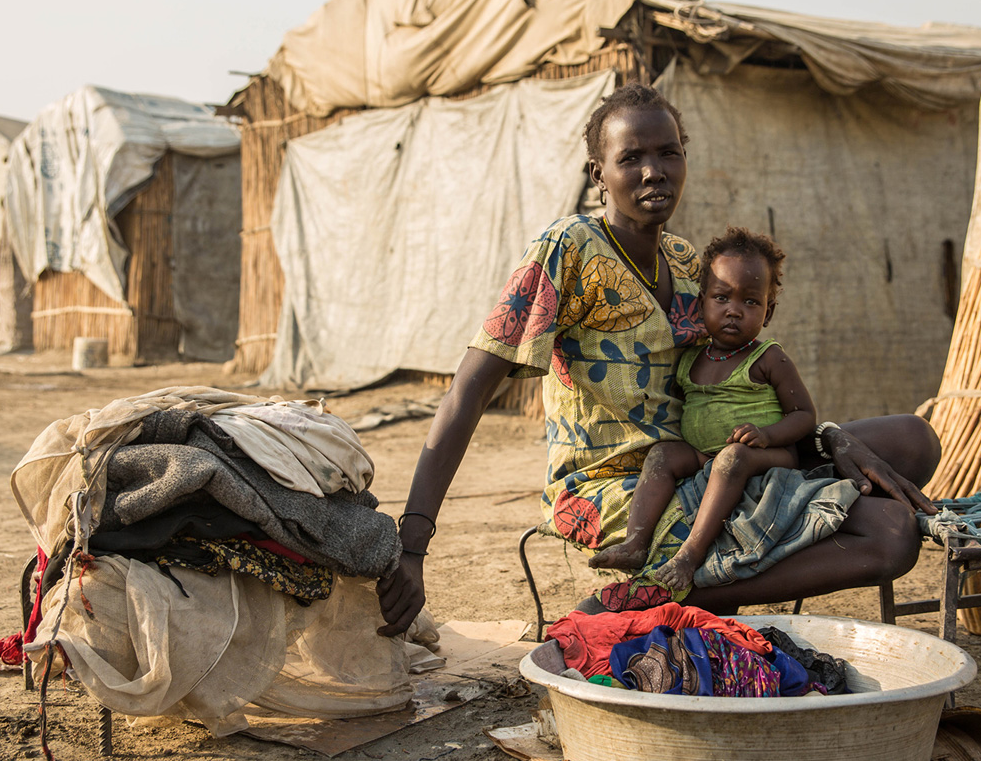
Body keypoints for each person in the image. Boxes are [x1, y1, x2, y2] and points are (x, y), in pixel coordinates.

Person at [376, 83, 939, 637]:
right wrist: (412, 543)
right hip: (619, 487)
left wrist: (829, 437)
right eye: (631, 158)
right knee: (891, 536)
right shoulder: (567, 250)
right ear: (599, 175)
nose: (654, 171)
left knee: (913, 439)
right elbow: (469, 391)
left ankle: (700, 571)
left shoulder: (686, 260)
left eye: (668, 152)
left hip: (704, 460)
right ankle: (652, 595)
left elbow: (741, 380)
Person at [588, 226, 815, 591]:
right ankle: (635, 542)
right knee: (662, 454)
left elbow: (804, 414)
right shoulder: (691, 357)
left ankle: (689, 556)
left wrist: (766, 435)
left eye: (750, 302)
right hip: (703, 456)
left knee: (731, 458)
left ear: (768, 312)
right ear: (701, 302)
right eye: (722, 298)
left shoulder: (768, 357)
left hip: (766, 455)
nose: (734, 311)